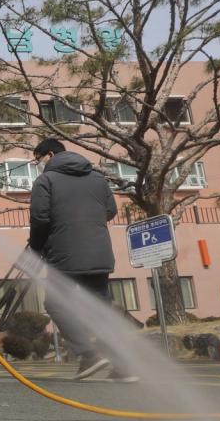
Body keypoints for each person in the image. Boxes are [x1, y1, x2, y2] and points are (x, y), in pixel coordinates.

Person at [27, 138, 137, 383]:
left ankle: (88, 355)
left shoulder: (46, 181)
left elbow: (40, 219)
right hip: (99, 253)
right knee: (99, 307)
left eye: (39, 158)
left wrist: (35, 247)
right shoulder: (98, 178)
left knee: (55, 304)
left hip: (64, 255)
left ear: (51, 154)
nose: (39, 164)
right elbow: (110, 211)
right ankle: (123, 366)